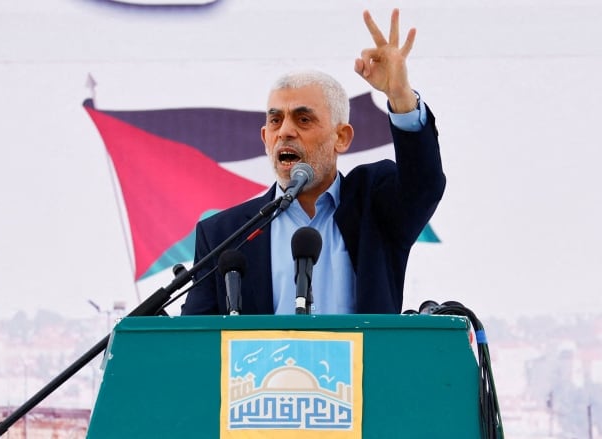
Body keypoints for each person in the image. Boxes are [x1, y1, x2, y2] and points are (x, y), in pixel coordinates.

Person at [181, 9, 445, 315]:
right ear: (265, 137)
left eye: (303, 119)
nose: (286, 132)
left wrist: (400, 97)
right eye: (276, 121)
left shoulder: (376, 207)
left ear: (341, 137)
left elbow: (424, 185)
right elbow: (196, 342)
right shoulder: (224, 236)